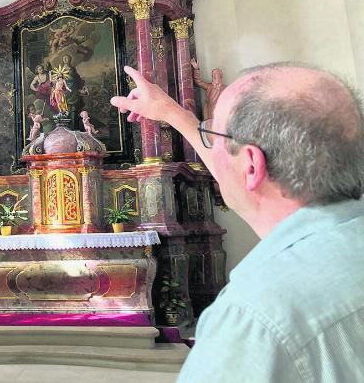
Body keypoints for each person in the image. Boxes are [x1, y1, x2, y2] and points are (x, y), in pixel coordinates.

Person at [111, 62, 364, 382]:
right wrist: (175, 114)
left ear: (250, 166)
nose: (211, 148)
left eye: (214, 132)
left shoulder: (253, 317)